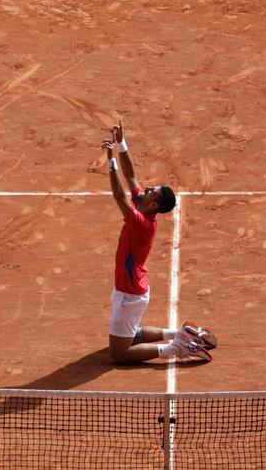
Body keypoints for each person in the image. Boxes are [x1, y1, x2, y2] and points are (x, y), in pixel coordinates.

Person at [103, 121, 216, 365]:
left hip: (129, 294)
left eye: (153, 190)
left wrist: (110, 160)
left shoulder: (142, 221)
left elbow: (118, 195)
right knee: (130, 335)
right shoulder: (143, 203)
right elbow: (130, 175)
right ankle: (180, 334)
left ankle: (175, 349)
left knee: (118, 354)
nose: (149, 187)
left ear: (153, 204)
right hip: (134, 290)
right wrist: (121, 143)